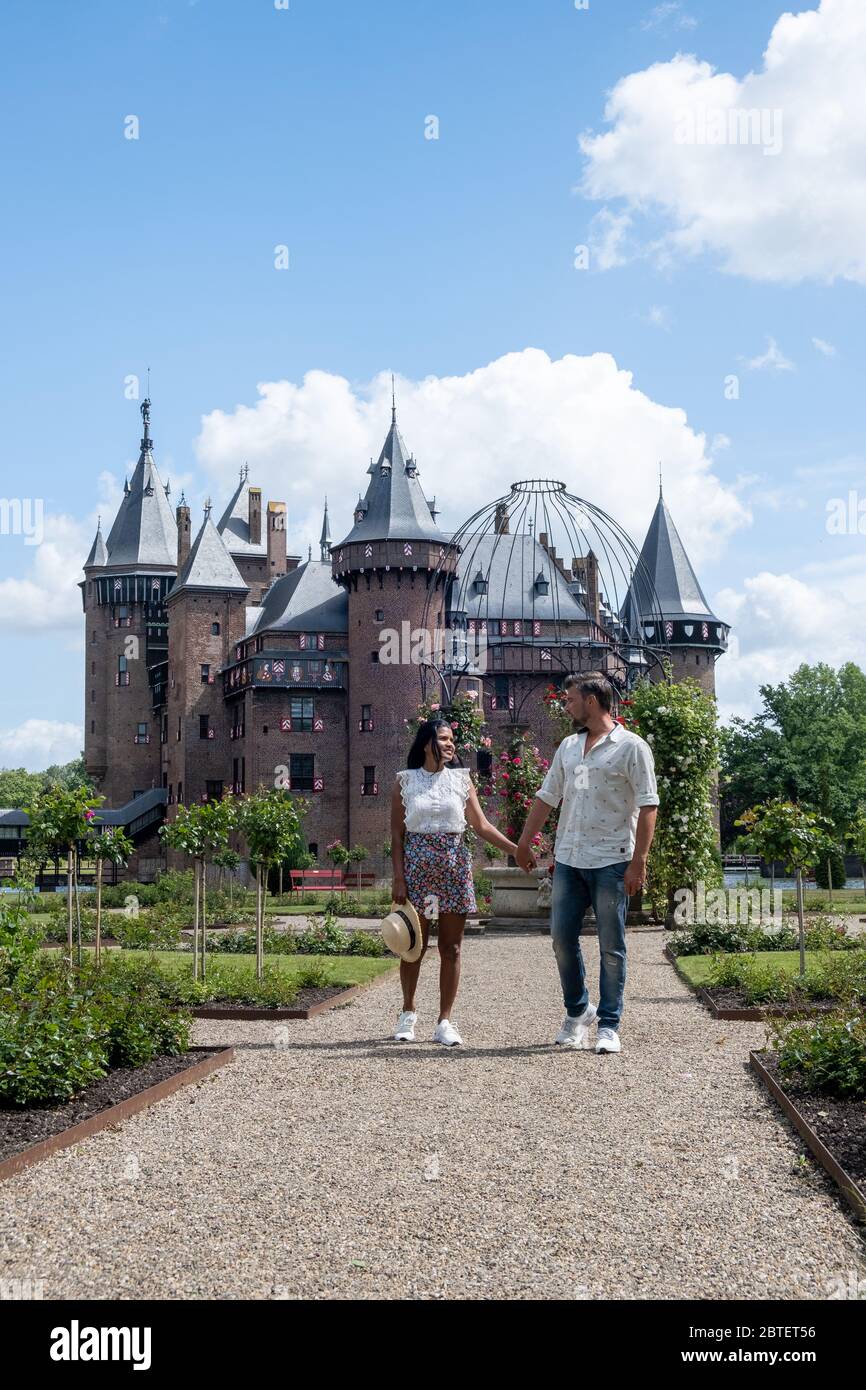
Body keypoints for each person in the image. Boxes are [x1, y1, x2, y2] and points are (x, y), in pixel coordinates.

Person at [516, 672, 658, 1054]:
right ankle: (578, 1011)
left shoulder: (632, 747)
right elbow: (547, 797)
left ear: (592, 701)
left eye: (570, 699)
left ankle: (609, 1024)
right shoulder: (567, 747)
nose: (566, 706)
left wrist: (639, 861)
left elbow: (648, 806)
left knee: (612, 945)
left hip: (612, 860)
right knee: (562, 939)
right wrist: (524, 843)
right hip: (569, 859)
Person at [391, 716, 531, 1046]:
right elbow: (397, 836)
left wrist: (517, 849)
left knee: (451, 948)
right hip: (418, 875)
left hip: (454, 871)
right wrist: (399, 878)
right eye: (443, 738)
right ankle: (408, 1013)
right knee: (414, 947)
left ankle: (445, 1021)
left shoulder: (461, 781)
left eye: (452, 738)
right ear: (427, 743)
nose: (450, 743)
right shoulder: (405, 781)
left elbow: (481, 826)